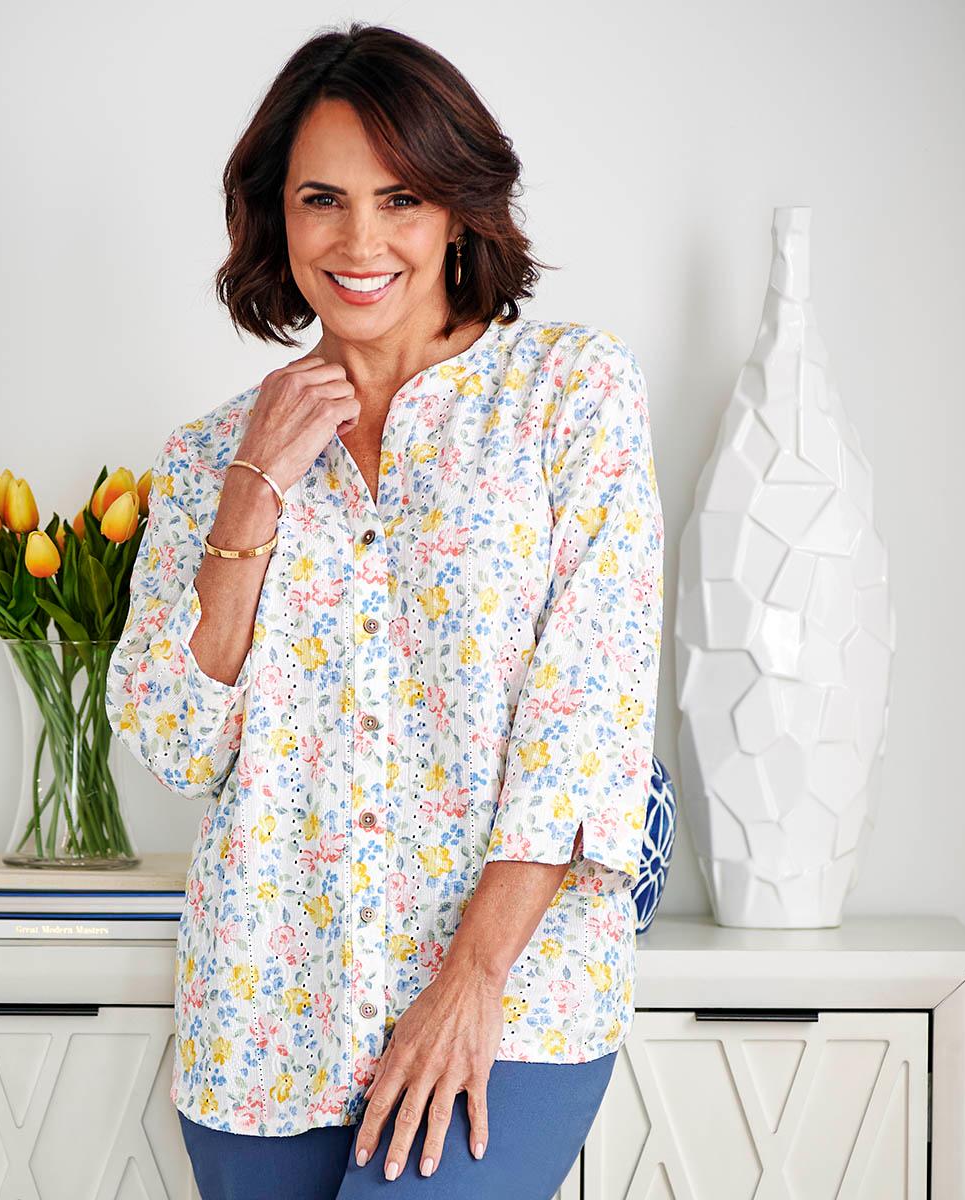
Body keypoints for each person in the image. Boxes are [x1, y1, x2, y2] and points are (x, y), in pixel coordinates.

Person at [105, 20, 664, 1200]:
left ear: (459, 210)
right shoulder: (211, 454)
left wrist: (471, 981)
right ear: (277, 215)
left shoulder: (568, 394)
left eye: (400, 198)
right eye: (323, 200)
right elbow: (174, 743)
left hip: (506, 1002)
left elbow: (586, 724)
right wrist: (253, 490)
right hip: (266, 1020)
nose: (360, 242)